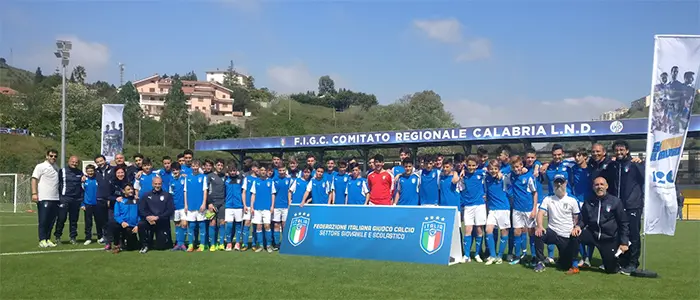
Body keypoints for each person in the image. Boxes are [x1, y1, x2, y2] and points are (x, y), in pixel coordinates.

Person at [578, 177, 630, 274]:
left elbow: (623, 223)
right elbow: (583, 219)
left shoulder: (615, 202)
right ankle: (573, 262)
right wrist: (578, 226)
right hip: (593, 235)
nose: (599, 187)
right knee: (574, 236)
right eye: (596, 185)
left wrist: (624, 242)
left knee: (610, 270)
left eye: (602, 184)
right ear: (593, 187)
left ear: (606, 186)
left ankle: (615, 263)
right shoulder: (589, 201)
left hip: (608, 238)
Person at [533, 174, 581, 274]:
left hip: (566, 234)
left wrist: (575, 227)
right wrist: (540, 226)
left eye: (561, 182)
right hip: (552, 232)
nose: (559, 185)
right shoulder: (548, 198)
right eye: (556, 182)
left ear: (566, 183)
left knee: (564, 265)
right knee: (538, 233)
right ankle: (540, 262)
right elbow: (540, 213)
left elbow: (577, 217)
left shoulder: (572, 200)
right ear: (553, 184)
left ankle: (567, 260)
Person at [610, 140, 645, 275]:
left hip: (632, 206)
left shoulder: (635, 164)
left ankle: (633, 263)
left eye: (621, 150)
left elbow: (645, 180)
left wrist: (642, 162)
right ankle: (623, 261)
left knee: (633, 235)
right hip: (617, 206)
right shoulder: (613, 165)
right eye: (617, 150)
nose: (619, 152)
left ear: (627, 151)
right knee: (620, 234)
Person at [508, 156, 538, 265]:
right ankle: (517, 255)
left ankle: (534, 256)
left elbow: (535, 193)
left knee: (531, 232)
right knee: (517, 232)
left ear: (522, 165)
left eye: (518, 166)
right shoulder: (511, 176)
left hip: (528, 208)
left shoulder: (529, 176)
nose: (516, 169)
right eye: (514, 167)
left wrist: (534, 209)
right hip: (516, 209)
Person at [484, 160, 511, 265]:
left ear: (499, 169)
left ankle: (499, 256)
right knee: (488, 230)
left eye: (495, 169)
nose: (493, 171)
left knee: (504, 232)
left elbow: (511, 171)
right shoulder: (486, 178)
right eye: (491, 169)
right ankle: (493, 255)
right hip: (492, 209)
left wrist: (502, 173)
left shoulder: (504, 177)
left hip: (503, 208)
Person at [137, 176, 174, 253]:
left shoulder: (167, 195)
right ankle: (144, 245)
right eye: (155, 184)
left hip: (161, 222)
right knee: (141, 224)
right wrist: (148, 217)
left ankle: (154, 241)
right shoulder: (146, 195)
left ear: (161, 184)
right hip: (149, 221)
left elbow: (170, 210)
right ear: (152, 184)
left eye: (159, 184)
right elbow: (141, 209)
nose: (157, 185)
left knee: (161, 247)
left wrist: (158, 217)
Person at [31, 149, 60, 248]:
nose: (53, 158)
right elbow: (34, 179)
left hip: (55, 198)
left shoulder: (56, 167)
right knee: (43, 220)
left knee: (52, 221)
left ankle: (48, 238)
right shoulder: (40, 166)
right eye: (51, 156)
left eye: (55, 156)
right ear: (47, 156)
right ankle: (42, 239)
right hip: (44, 197)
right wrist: (34, 193)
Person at [461, 155, 487, 263]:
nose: (471, 167)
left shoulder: (482, 173)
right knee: (468, 229)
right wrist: (462, 170)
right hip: (468, 206)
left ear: (477, 165)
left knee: (479, 229)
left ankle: (477, 254)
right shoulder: (463, 176)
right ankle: (466, 255)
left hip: (480, 205)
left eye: (473, 165)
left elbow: (495, 173)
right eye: (469, 165)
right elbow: (461, 189)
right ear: (466, 165)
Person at [55, 155, 85, 245]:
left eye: (76, 162)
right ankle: (58, 236)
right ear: (69, 161)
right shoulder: (62, 171)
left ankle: (73, 237)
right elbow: (57, 184)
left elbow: (82, 186)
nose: (74, 164)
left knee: (74, 220)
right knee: (61, 218)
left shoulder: (80, 172)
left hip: (76, 199)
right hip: (65, 198)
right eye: (73, 162)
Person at [250, 164, 276, 253]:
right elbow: (253, 194)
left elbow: (273, 194)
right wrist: (252, 207)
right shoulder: (256, 181)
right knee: (259, 226)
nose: (263, 172)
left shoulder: (271, 181)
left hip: (267, 208)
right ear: (259, 171)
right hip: (257, 208)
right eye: (261, 170)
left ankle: (268, 245)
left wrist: (272, 206)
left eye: (265, 170)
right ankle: (260, 245)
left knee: (267, 226)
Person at [110, 184, 141, 253]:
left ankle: (127, 240)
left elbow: (140, 214)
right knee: (114, 225)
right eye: (128, 189)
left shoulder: (137, 201)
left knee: (130, 248)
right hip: (123, 224)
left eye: (132, 189)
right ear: (124, 191)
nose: (131, 191)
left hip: (133, 226)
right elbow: (116, 215)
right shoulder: (120, 201)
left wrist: (137, 225)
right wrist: (122, 222)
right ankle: (116, 244)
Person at [185, 160, 208, 252]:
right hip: (190, 205)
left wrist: (203, 203)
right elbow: (185, 191)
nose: (195, 168)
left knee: (202, 225)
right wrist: (186, 205)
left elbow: (205, 191)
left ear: (199, 167)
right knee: (191, 226)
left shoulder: (203, 177)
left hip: (200, 206)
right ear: (191, 167)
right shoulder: (188, 177)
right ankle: (191, 245)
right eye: (193, 166)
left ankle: (202, 245)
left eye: (196, 166)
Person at [206, 159, 227, 252]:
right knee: (212, 223)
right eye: (218, 165)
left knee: (222, 222)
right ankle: (213, 244)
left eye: (221, 165)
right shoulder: (209, 176)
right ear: (215, 166)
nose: (220, 167)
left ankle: (221, 243)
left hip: (222, 202)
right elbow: (206, 190)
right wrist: (209, 203)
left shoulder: (224, 177)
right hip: (212, 203)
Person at [93, 155, 113, 245]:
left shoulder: (113, 169)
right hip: (100, 199)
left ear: (105, 160)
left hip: (111, 199)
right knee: (103, 220)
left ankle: (115, 236)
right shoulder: (96, 171)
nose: (100, 163)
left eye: (101, 161)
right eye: (98, 162)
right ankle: (105, 236)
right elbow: (88, 176)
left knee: (112, 219)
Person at [224, 164, 244, 251]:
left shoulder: (240, 180)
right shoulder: (226, 180)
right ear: (228, 171)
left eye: (234, 171)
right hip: (228, 206)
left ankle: (237, 243)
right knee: (229, 225)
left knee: (238, 225)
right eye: (231, 171)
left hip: (238, 206)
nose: (232, 172)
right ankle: (229, 243)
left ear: (236, 171)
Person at [169, 162, 188, 251]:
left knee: (184, 224)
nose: (175, 171)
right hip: (175, 206)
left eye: (177, 170)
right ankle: (178, 243)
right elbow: (170, 193)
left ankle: (182, 243)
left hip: (183, 206)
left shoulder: (184, 178)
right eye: (173, 170)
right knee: (177, 224)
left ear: (180, 170)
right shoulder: (171, 180)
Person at [240, 163, 259, 251]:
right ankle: (245, 244)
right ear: (253, 168)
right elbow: (243, 192)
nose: (258, 169)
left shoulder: (260, 179)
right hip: (247, 205)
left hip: (257, 206)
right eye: (257, 167)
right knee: (247, 223)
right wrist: (244, 205)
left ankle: (255, 244)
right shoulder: (247, 179)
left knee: (255, 225)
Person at [272, 166, 291, 250]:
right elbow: (272, 193)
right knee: (276, 224)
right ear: (278, 171)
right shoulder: (274, 180)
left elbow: (290, 192)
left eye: (283, 170)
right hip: (276, 206)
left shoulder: (289, 180)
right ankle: (276, 243)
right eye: (280, 170)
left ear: (285, 170)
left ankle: (284, 243)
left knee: (284, 224)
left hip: (285, 206)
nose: (282, 172)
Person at [82, 165, 99, 245]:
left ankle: (100, 237)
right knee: (88, 222)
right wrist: (82, 204)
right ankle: (88, 238)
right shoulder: (84, 180)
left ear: (94, 171)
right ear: (86, 172)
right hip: (87, 204)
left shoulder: (98, 179)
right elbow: (81, 193)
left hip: (97, 204)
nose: (90, 172)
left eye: (91, 171)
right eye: (88, 171)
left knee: (99, 221)